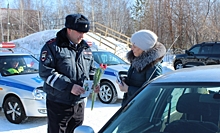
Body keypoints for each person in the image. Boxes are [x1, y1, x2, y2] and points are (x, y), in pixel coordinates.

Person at [39, 13, 100, 133]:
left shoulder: (85, 47)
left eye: (84, 33)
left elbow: (92, 69)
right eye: (79, 32)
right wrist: (69, 86)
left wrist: (94, 83)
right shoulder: (52, 47)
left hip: (79, 104)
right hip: (58, 103)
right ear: (69, 29)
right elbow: (46, 72)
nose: (82, 36)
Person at [117, 30, 166, 106]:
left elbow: (153, 93)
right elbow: (138, 82)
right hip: (131, 106)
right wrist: (126, 81)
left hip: (143, 111)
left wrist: (128, 89)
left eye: (135, 46)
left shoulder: (153, 66)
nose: (131, 48)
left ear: (144, 48)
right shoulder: (136, 60)